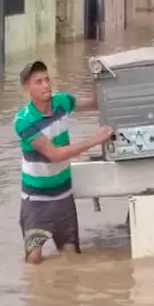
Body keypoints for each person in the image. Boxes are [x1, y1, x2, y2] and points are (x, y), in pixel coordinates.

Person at [14, 60, 114, 265]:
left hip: (63, 196)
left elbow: (95, 102)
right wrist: (94, 140)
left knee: (70, 256)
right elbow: (55, 154)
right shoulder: (24, 121)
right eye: (38, 81)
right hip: (36, 200)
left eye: (47, 79)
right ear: (27, 89)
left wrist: (100, 76)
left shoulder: (62, 102)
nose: (45, 85)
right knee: (33, 259)